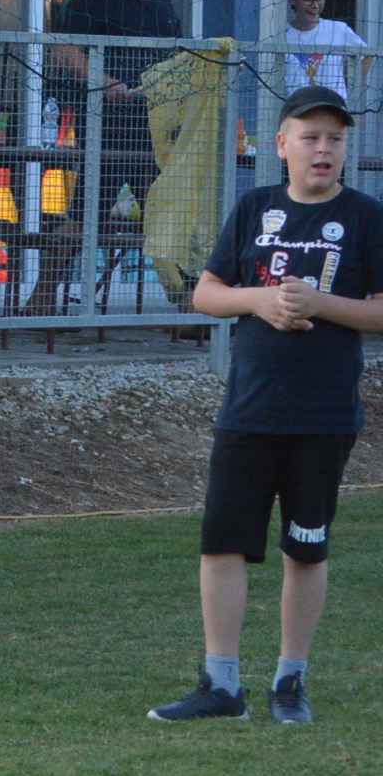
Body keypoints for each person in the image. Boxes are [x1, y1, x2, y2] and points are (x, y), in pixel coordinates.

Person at [150, 86, 382, 725]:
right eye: (310, 137)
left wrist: (318, 304)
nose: (323, 149)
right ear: (282, 145)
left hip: (323, 415)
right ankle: (221, 685)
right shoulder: (255, 208)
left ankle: (290, 681)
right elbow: (206, 293)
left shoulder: (366, 217)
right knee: (223, 544)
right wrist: (260, 300)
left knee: (305, 549)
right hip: (249, 410)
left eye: (335, 139)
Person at [31, 0, 185, 317]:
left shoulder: (164, 5)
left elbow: (178, 61)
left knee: (169, 217)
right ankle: (41, 298)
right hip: (104, 131)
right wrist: (103, 80)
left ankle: (191, 306)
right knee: (85, 216)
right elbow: (65, 49)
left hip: (154, 135)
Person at [285, 0, 369, 97]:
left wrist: (351, 89)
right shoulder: (282, 35)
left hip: (332, 106)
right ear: (292, 0)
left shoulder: (338, 30)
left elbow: (367, 56)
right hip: (296, 107)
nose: (315, 5)